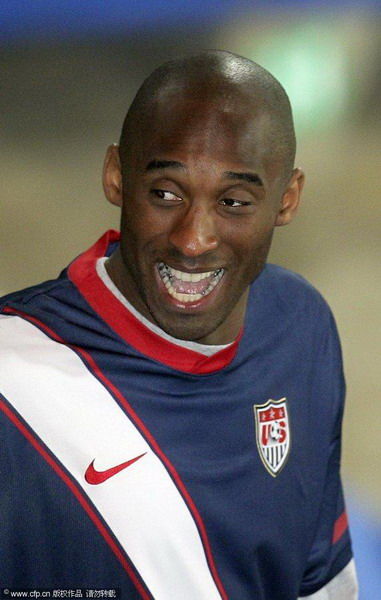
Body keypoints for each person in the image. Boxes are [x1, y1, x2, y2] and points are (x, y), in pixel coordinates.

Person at [0, 50, 358, 599]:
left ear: (286, 200)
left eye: (235, 201)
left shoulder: (301, 327)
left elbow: (317, 578)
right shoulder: (11, 382)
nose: (193, 240)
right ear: (117, 177)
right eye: (166, 194)